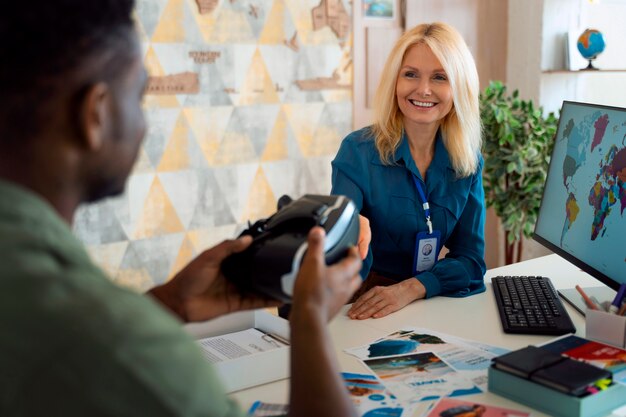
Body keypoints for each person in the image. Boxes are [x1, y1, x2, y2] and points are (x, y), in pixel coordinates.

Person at [0, 1, 362, 416]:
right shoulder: (126, 351)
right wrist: (309, 320)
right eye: (139, 95)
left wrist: (169, 303)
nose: (143, 123)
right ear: (94, 114)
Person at [331, 22, 486, 320]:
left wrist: (413, 288)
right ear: (395, 82)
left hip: (427, 298)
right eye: (411, 74)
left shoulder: (468, 160)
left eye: (440, 77)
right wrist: (348, 241)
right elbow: (346, 259)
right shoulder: (357, 151)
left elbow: (471, 260)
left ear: (458, 88)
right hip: (364, 301)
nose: (423, 89)